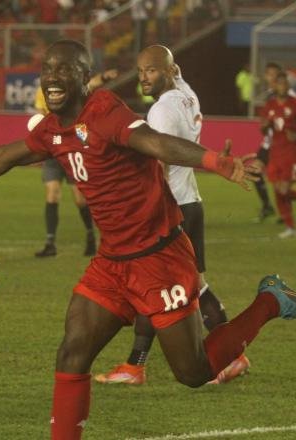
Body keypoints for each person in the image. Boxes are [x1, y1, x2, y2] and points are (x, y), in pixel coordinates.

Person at [0, 40, 296, 439]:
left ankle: (271, 301)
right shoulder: (55, 128)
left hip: (159, 257)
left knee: (194, 372)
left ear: (84, 76)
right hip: (112, 263)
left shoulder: (105, 111)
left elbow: (155, 142)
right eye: (46, 70)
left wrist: (216, 162)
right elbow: (4, 156)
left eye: (63, 69)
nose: (52, 77)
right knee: (71, 354)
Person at [94, 45, 249, 386]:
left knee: (164, 287)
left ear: (167, 70)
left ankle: (226, 355)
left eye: (150, 71)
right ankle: (139, 365)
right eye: (140, 72)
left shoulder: (161, 111)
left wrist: (138, 203)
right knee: (177, 286)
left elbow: (158, 161)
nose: (143, 78)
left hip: (170, 208)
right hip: (189, 200)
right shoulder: (186, 94)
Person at [33, 69, 117, 258]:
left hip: (72, 153)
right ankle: (50, 243)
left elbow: (90, 86)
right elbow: (42, 119)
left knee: (80, 199)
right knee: (52, 194)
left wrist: (103, 77)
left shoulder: (73, 91)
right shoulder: (41, 92)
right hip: (54, 153)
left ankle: (90, 236)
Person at [260, 71, 296, 239]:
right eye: (279, 84)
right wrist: (265, 126)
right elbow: (263, 128)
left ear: (288, 86)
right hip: (275, 151)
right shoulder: (269, 106)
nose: (282, 87)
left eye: (285, 84)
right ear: (275, 86)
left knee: (283, 189)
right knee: (278, 190)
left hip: (292, 152)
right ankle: (291, 227)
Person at [251, 61, 282, 222]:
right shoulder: (270, 95)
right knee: (254, 170)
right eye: (268, 74)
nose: (270, 77)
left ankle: (290, 208)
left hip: (282, 144)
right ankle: (267, 206)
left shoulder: (286, 96)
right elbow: (266, 121)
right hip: (269, 142)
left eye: (274, 74)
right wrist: (265, 125)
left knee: (281, 181)